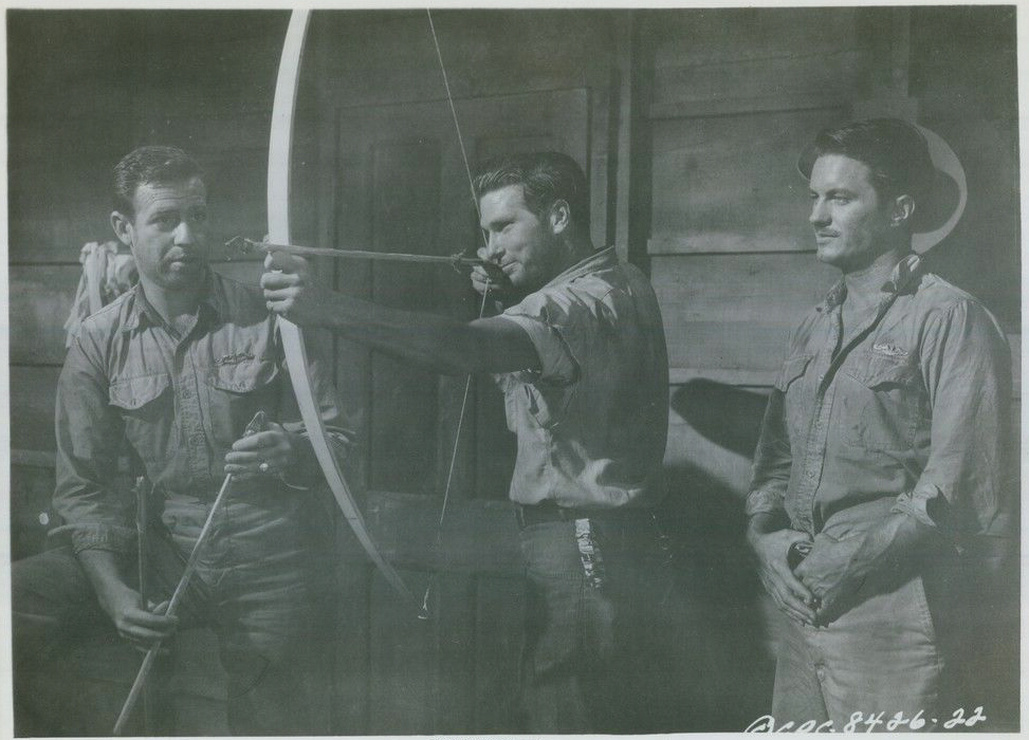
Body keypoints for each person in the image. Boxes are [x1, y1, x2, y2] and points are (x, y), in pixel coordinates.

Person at [261, 151, 671, 733]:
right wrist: (510, 295)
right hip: (614, 539)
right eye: (485, 233)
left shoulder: (567, 306)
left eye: (504, 227)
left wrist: (327, 309)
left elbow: (465, 347)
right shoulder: (623, 280)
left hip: (578, 544)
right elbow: (568, 371)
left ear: (559, 216)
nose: (489, 249)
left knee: (563, 715)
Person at [12, 146, 351, 736]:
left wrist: (291, 450)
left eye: (198, 215)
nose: (188, 236)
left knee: (274, 719)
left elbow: (340, 439)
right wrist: (113, 593)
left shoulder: (272, 316)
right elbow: (82, 488)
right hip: (164, 555)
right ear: (123, 228)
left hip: (270, 557)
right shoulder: (97, 340)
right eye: (165, 219)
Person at [746, 119, 1014, 730]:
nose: (816, 216)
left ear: (900, 210)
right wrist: (762, 538)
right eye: (814, 197)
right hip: (802, 608)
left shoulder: (950, 318)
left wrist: (853, 563)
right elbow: (773, 462)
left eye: (840, 198)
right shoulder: (815, 324)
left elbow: (959, 487)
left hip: (892, 614)